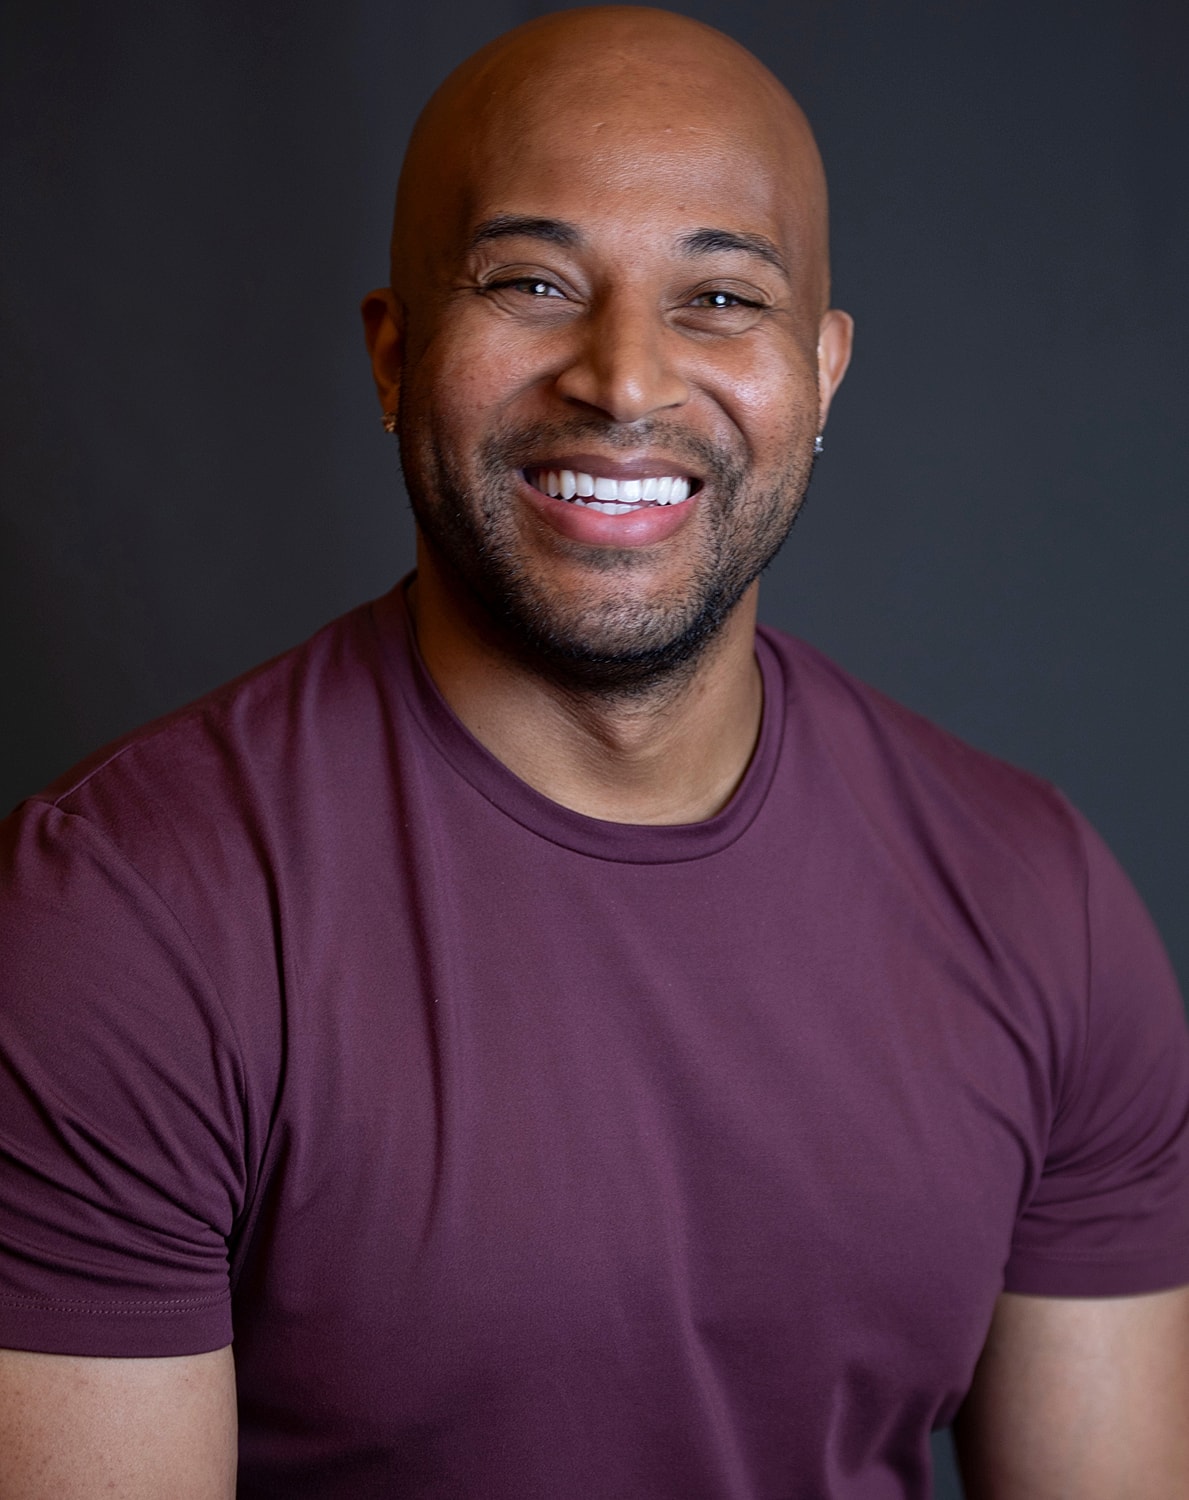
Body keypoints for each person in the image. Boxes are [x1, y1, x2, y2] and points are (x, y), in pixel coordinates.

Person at [1, 6, 1187, 1496]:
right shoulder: (117, 920)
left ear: (819, 375)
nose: (622, 381)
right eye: (532, 281)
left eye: (718, 299)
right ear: (392, 352)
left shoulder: (1039, 907)